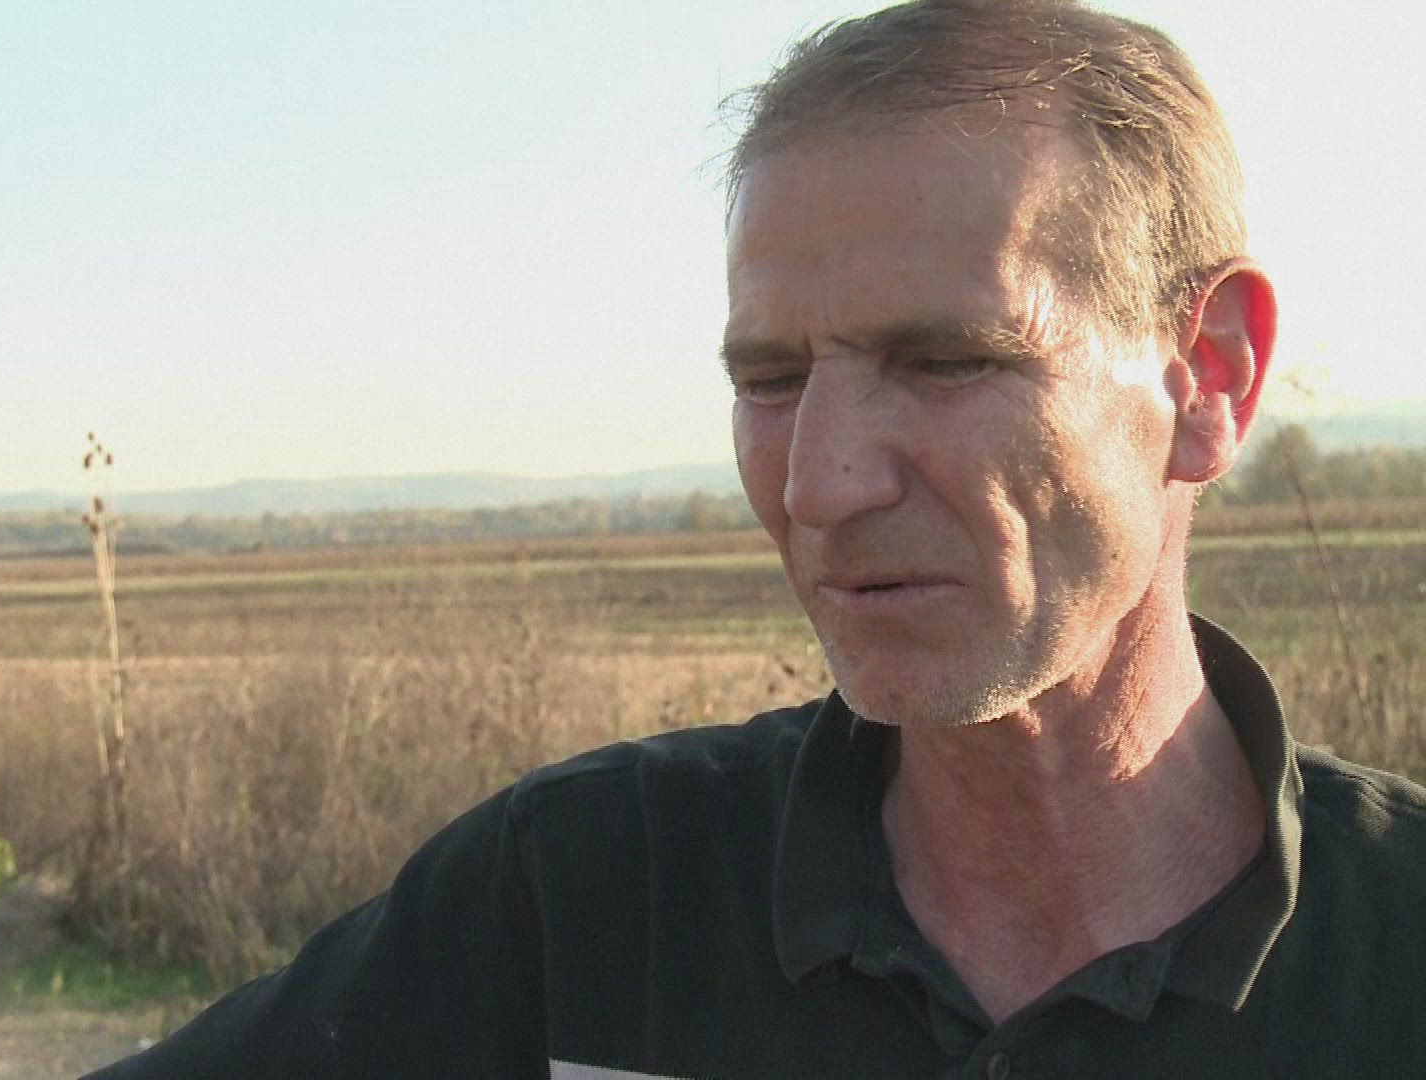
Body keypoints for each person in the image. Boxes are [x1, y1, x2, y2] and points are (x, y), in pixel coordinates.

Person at [88, 2, 1426, 1076]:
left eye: (946, 360)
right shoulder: (585, 903)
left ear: (1209, 377)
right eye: (772, 379)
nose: (821, 484)